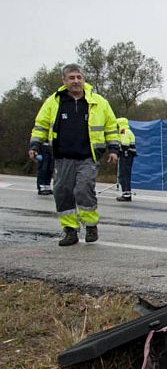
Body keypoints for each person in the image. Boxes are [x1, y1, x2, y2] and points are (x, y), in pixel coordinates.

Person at [28, 64, 119, 246]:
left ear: (84, 79)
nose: (76, 81)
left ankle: (91, 225)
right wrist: (34, 144)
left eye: (79, 77)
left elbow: (111, 126)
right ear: (64, 81)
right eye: (71, 78)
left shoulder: (100, 102)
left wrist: (114, 149)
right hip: (62, 157)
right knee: (62, 192)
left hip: (88, 156)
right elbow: (41, 125)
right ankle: (70, 231)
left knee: (83, 189)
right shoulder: (54, 101)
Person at [116, 117, 136, 202]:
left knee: (124, 175)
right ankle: (126, 193)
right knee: (125, 175)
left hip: (126, 155)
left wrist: (117, 146)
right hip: (127, 156)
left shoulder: (123, 131)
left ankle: (126, 194)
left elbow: (124, 145)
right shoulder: (127, 131)